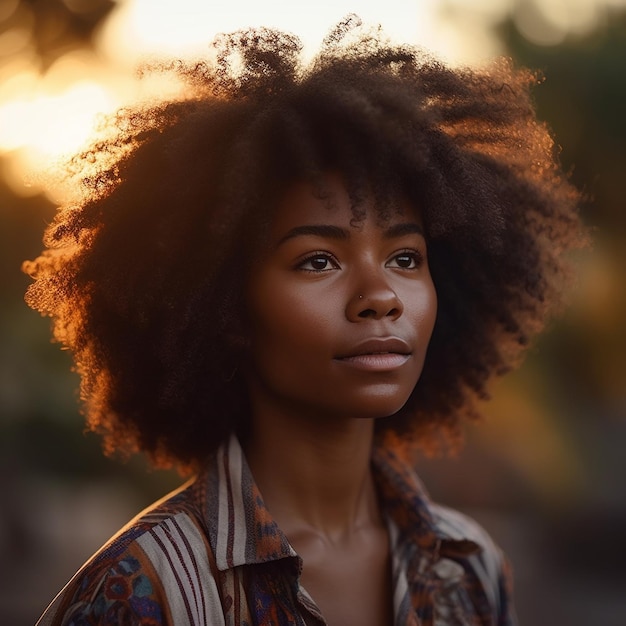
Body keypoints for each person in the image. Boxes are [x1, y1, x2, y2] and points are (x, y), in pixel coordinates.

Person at [25, 16, 585, 626]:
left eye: (405, 258)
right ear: (223, 303)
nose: (381, 296)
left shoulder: (470, 568)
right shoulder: (143, 593)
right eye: (318, 260)